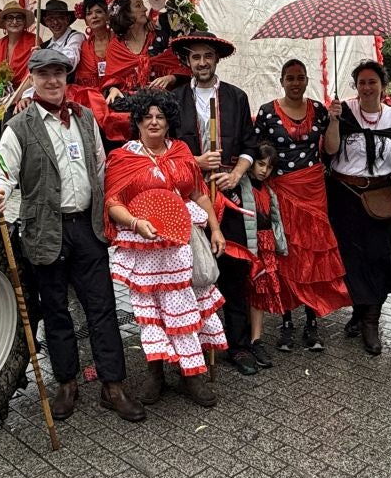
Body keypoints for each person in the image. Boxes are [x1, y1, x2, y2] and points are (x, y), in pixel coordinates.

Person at [0, 48, 145, 423]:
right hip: (45, 231)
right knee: (56, 312)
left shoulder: (86, 118)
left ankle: (113, 384)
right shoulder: (18, 126)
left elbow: (101, 168)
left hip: (86, 230)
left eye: (59, 73)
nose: (53, 80)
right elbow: (4, 173)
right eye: (44, 74)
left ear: (67, 78)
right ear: (33, 79)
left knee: (102, 308)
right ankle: (67, 383)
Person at [104, 89, 228, 408]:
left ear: (169, 121)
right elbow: (113, 202)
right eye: (148, 117)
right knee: (152, 316)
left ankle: (191, 376)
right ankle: (155, 374)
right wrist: (134, 223)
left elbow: (200, 194)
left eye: (160, 116)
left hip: (181, 245)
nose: (154, 121)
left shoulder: (182, 150)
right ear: (138, 121)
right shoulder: (123, 156)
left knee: (186, 308)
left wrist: (215, 229)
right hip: (145, 249)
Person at [171, 31, 260, 375]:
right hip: (189, 194)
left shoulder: (236, 98)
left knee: (234, 270)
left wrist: (236, 174)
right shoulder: (175, 99)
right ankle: (194, 346)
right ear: (187, 62)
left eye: (208, 56)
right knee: (192, 269)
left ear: (217, 59)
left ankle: (238, 346)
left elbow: (251, 145)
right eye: (196, 57)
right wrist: (195, 161)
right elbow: (166, 148)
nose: (202, 62)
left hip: (229, 193)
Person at [254, 59, 350, 352]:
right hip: (281, 190)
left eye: (300, 78)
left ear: (307, 80)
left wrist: (334, 119)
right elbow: (257, 151)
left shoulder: (320, 110)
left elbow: (331, 149)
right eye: (290, 78)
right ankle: (286, 321)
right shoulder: (267, 113)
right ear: (282, 81)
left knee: (313, 254)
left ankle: (311, 319)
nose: (295, 83)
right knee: (286, 252)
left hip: (313, 190)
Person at [327, 60, 391, 356]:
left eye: (372, 82)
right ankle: (359, 312)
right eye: (361, 82)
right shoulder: (343, 111)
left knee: (378, 256)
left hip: (378, 195)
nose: (367, 87)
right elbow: (331, 150)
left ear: (382, 85)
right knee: (351, 258)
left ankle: (371, 321)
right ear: (356, 85)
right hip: (345, 193)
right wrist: (333, 121)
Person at [240, 143, 288, 368]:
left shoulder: (269, 191)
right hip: (249, 245)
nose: (263, 170)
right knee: (245, 290)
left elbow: (275, 218)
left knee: (259, 293)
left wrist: (280, 243)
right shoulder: (241, 185)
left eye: (268, 167)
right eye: (260, 164)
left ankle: (255, 339)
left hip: (266, 244)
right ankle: (243, 337)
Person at [102, 0, 186, 104]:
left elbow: (180, 66)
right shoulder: (116, 46)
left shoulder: (160, 36)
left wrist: (170, 78)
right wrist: (113, 89)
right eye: (138, 5)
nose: (145, 9)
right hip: (128, 103)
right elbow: (111, 80)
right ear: (126, 14)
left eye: (143, 5)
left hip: (162, 104)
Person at [0, 1, 37, 100]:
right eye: (10, 18)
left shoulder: (35, 41)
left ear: (24, 21)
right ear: (4, 22)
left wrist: (13, 100)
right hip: (3, 99)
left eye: (19, 18)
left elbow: (35, 76)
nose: (15, 22)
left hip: (27, 97)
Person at [74, 0, 111, 88]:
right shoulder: (83, 47)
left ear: (107, 15)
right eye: (89, 13)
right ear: (86, 21)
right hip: (92, 96)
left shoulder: (120, 41)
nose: (94, 16)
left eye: (98, 12)